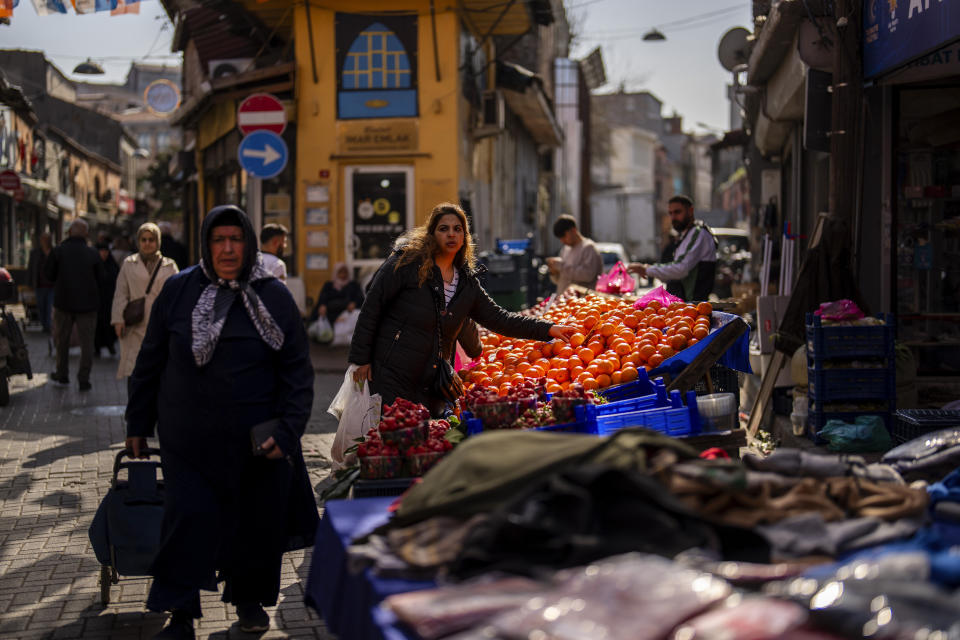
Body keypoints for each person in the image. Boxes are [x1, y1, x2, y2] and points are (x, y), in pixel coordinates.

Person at [124, 205, 317, 639]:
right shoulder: (178, 290)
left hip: (256, 444)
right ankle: (181, 613)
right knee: (187, 520)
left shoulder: (274, 296)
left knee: (253, 525)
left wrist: (288, 431)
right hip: (187, 440)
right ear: (206, 245)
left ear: (249, 245)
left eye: (236, 240)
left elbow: (297, 373)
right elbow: (149, 361)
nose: (228, 249)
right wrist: (137, 422)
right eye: (219, 240)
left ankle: (248, 603)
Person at [349, 202, 577, 416]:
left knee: (421, 441)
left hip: (432, 379)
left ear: (464, 237)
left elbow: (500, 319)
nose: (451, 234)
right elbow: (372, 308)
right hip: (393, 371)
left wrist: (548, 329)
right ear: (431, 235)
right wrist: (361, 359)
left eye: (457, 229)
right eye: (443, 229)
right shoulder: (406, 264)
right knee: (391, 438)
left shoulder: (466, 283)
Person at [111, 223, 179, 380]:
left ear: (158, 242)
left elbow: (177, 296)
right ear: (138, 242)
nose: (147, 243)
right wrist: (118, 320)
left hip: (160, 324)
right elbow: (121, 293)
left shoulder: (169, 266)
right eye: (144, 240)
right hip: (135, 324)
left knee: (158, 369)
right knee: (134, 370)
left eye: (151, 240)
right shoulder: (129, 264)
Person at [44, 219, 102, 391]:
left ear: (69, 233)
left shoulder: (58, 251)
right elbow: (102, 278)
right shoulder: (93, 253)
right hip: (88, 305)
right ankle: (84, 378)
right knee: (87, 344)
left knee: (62, 341)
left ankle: (62, 374)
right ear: (86, 234)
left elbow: (48, 275)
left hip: (64, 303)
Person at [628, 195, 718, 301]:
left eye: (677, 212)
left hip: (694, 305)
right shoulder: (685, 235)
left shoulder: (698, 234)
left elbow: (680, 269)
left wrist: (647, 269)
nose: (673, 217)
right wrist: (650, 269)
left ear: (690, 211)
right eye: (670, 213)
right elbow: (675, 271)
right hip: (684, 305)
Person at [546, 214, 604, 296]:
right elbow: (561, 280)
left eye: (564, 236)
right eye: (560, 238)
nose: (562, 241)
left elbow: (588, 275)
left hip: (583, 303)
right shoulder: (565, 249)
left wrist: (561, 267)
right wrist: (554, 272)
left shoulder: (588, 248)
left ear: (573, 230)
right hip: (563, 302)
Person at [311, 261, 364, 326]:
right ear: (335, 273)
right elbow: (322, 297)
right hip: (330, 314)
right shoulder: (329, 285)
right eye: (340, 272)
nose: (343, 275)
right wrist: (322, 305)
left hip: (348, 314)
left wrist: (354, 303)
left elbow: (360, 298)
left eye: (345, 272)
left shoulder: (353, 285)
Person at [94, 242, 120, 357]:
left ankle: (110, 345)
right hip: (96, 302)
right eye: (101, 251)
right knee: (97, 326)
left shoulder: (112, 265)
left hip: (110, 301)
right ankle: (97, 348)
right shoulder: (94, 265)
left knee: (109, 325)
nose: (103, 254)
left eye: (105, 252)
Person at [26, 231, 54, 333]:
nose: (44, 241)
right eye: (43, 239)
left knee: (50, 307)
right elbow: (31, 269)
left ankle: (49, 326)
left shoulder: (54, 252)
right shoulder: (35, 253)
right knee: (41, 307)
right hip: (39, 285)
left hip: (52, 286)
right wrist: (29, 284)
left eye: (46, 239)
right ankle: (45, 325)